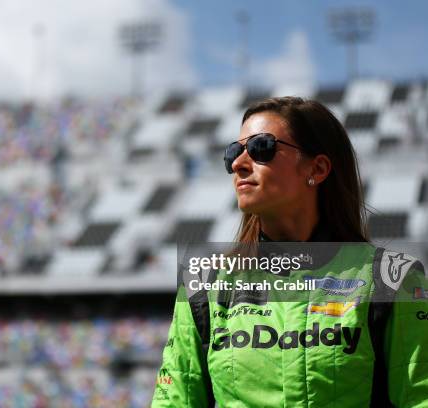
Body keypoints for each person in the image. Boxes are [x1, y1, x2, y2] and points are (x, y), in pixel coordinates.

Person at [151, 97, 428, 407]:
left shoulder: (394, 279)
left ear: (318, 168)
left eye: (261, 148)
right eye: (233, 152)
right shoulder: (205, 285)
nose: (239, 164)